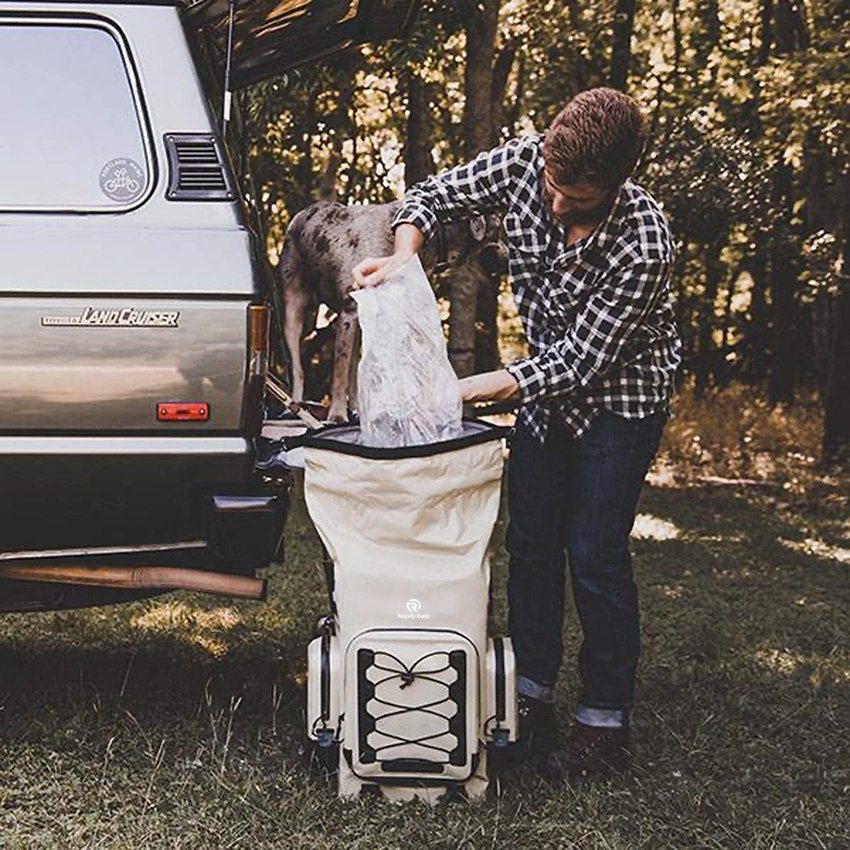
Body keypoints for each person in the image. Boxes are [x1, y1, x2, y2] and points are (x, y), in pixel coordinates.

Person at [352, 87, 681, 783]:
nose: (556, 206)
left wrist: (452, 391)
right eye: (552, 190)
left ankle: (604, 721)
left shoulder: (646, 239)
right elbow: (432, 195)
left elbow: (578, 363)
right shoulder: (527, 164)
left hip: (621, 400)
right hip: (542, 400)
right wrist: (407, 255)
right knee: (531, 545)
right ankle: (529, 696)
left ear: (617, 184)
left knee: (593, 553)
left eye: (578, 200)